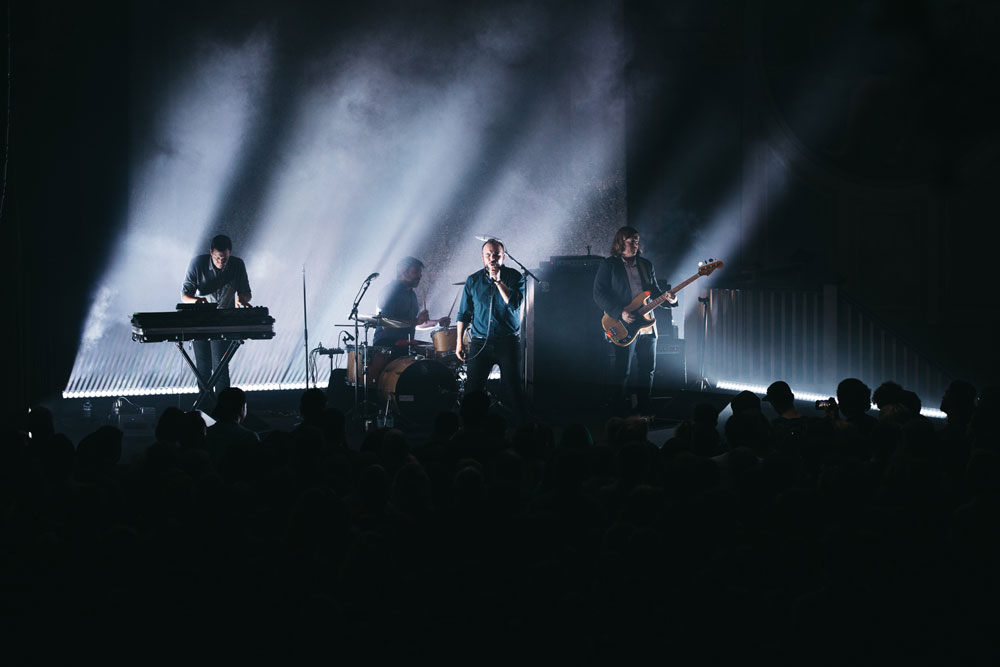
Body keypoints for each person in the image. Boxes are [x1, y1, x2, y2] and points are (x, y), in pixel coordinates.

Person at [592, 226, 677, 416]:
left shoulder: (646, 265)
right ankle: (618, 413)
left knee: (648, 370)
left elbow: (655, 292)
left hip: (647, 324)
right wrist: (620, 313)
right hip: (623, 323)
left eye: (637, 240)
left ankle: (644, 411)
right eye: (631, 241)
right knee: (622, 371)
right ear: (621, 242)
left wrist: (671, 299)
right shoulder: (609, 265)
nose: (635, 244)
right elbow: (598, 294)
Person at [456, 239, 526, 421]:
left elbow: (514, 303)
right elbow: (463, 314)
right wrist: (459, 343)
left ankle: (522, 428)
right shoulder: (473, 280)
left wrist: (498, 281)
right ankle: (469, 427)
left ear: (503, 257)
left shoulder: (515, 277)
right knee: (473, 389)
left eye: (496, 255)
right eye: (488, 255)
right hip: (480, 342)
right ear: (482, 257)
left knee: (513, 389)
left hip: (507, 342)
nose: (492, 258)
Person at [181, 234, 252, 399]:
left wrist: (242, 299)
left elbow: (246, 292)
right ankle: (205, 405)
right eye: (218, 258)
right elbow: (185, 295)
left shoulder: (237, 264)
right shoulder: (197, 263)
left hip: (223, 321)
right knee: (203, 368)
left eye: (225, 258)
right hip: (200, 320)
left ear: (230, 253)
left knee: (220, 367)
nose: (221, 262)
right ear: (211, 252)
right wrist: (197, 300)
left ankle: (223, 406)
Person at [373, 256, 449, 348]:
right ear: (403, 272)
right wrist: (416, 321)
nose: (420, 275)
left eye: (420, 272)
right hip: (387, 345)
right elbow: (386, 324)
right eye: (416, 272)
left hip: (405, 344)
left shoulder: (411, 293)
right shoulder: (391, 291)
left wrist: (438, 322)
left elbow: (416, 324)